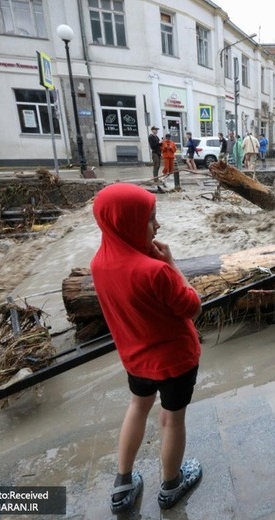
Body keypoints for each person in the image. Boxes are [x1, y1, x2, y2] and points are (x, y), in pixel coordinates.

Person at [90, 183, 203, 513]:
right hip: (176, 362)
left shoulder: (98, 264)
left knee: (137, 408)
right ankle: (171, 484)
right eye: (151, 219)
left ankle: (123, 484)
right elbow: (191, 306)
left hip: (135, 361)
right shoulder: (155, 271)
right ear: (126, 223)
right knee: (172, 419)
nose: (158, 226)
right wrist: (171, 265)